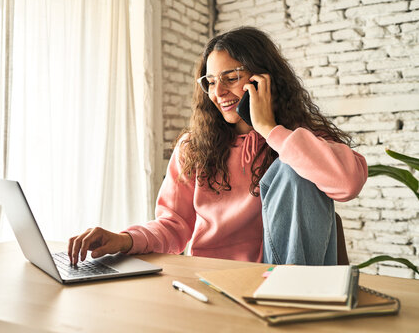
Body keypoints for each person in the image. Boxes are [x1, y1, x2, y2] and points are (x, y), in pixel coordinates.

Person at [68, 26, 368, 266]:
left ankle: (289, 299)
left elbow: (348, 184)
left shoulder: (298, 140)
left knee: (294, 168)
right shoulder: (194, 147)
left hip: (281, 282)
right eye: (210, 81)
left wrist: (269, 129)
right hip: (212, 280)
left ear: (264, 79)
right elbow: (174, 225)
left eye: (231, 78)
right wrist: (124, 239)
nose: (219, 91)